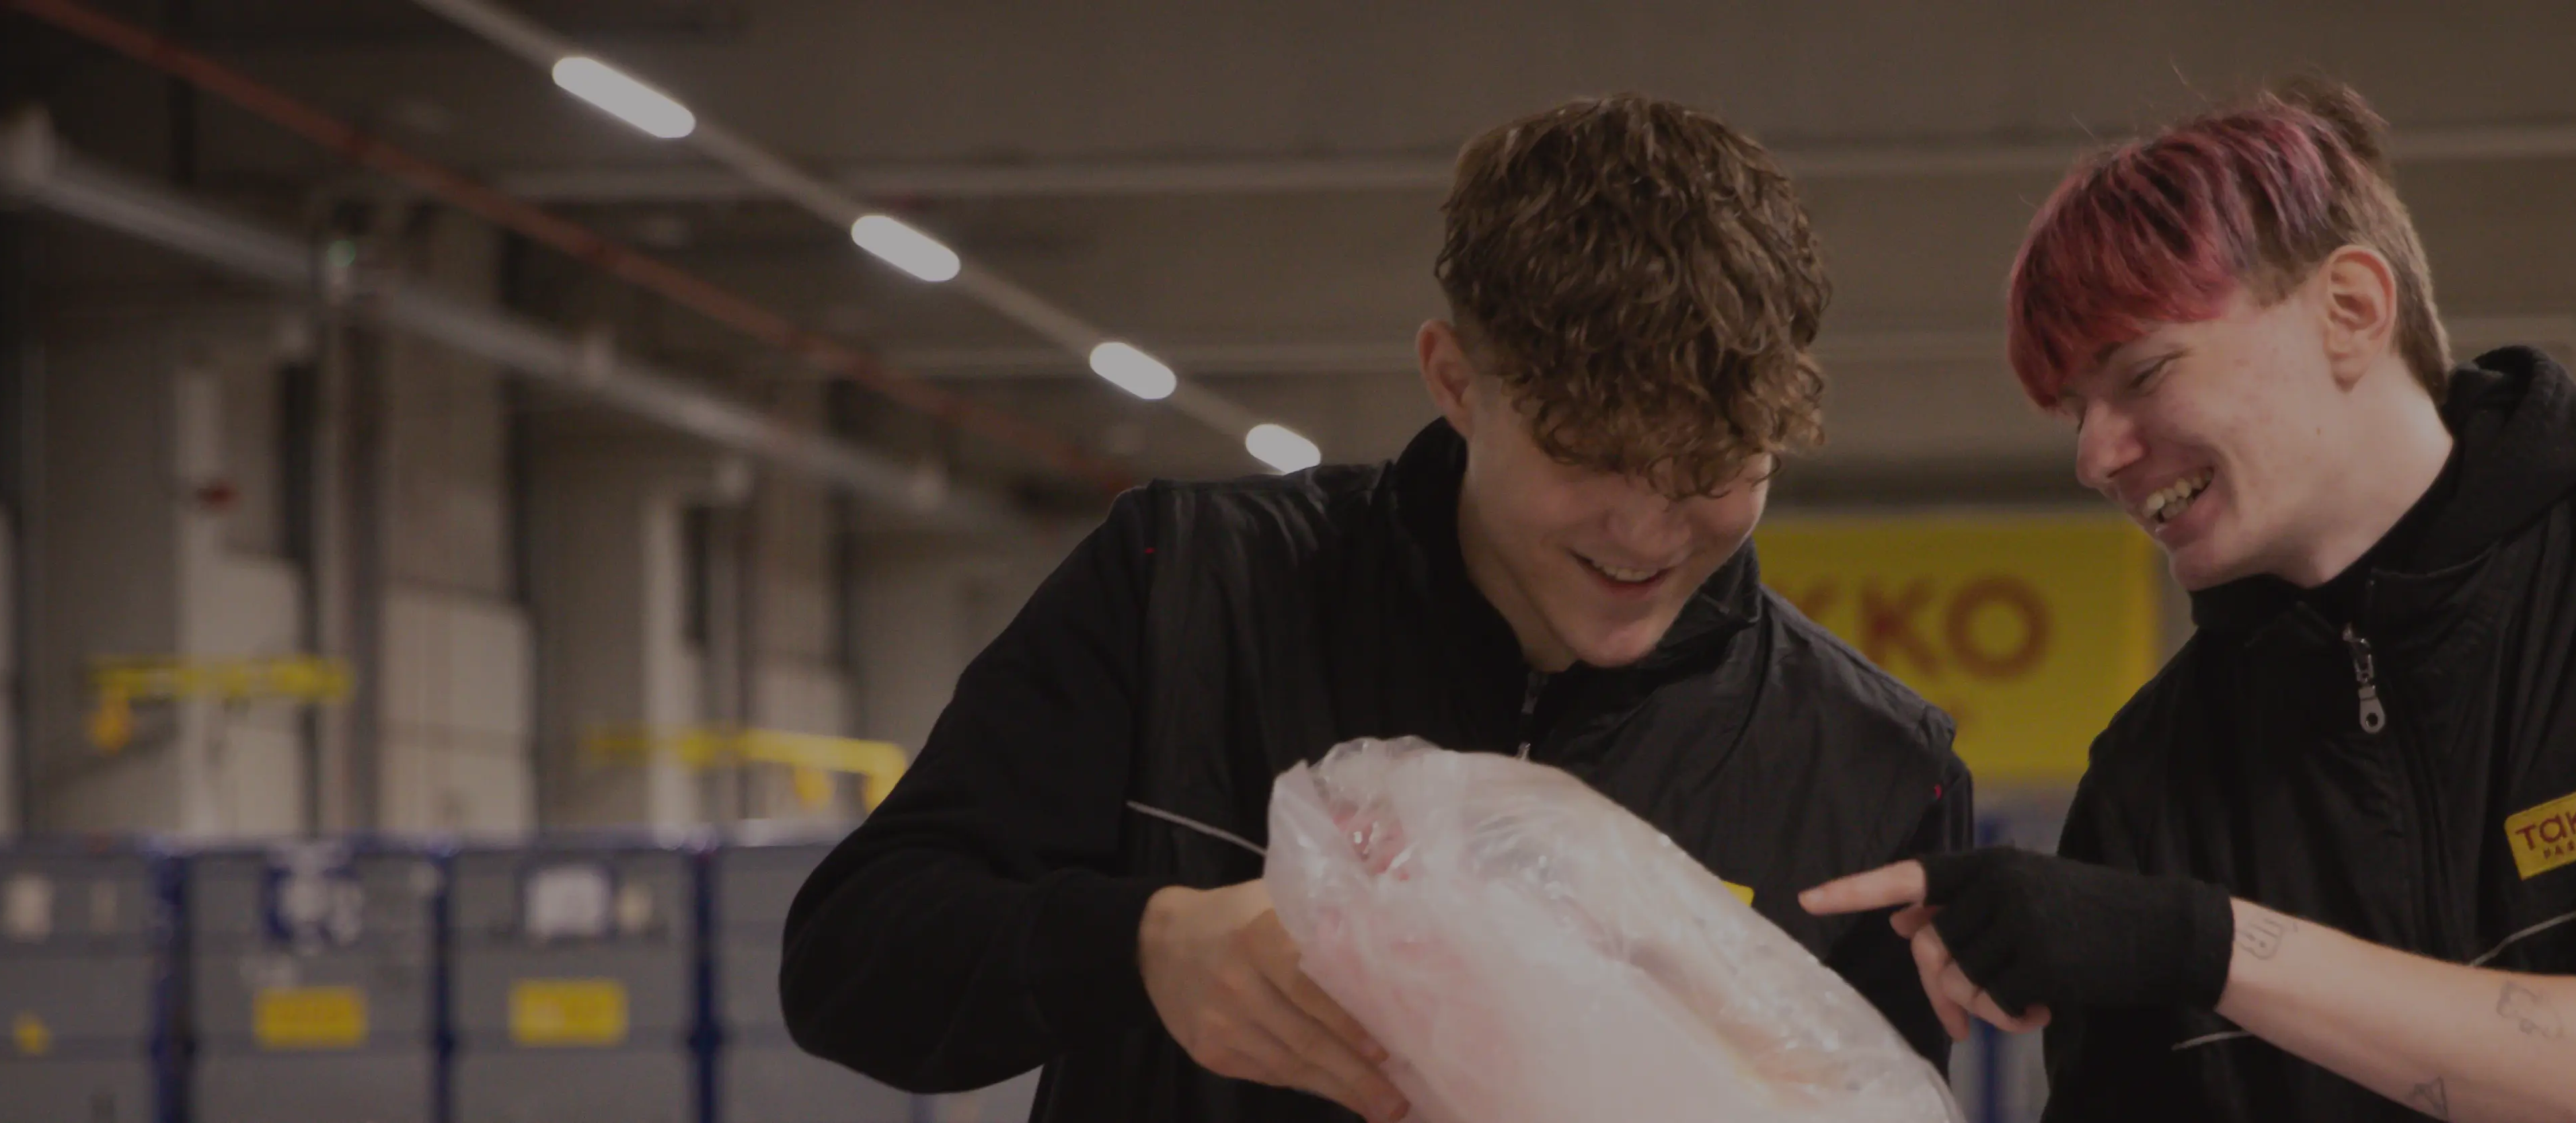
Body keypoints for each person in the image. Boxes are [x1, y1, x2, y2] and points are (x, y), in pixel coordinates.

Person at [1801, 79, 2576, 1122]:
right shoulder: (2158, 777)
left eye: (2143, 374)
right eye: (2077, 410)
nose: (2096, 455)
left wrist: (2206, 945)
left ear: (2352, 308)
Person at [784, 94, 1973, 1123]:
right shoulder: (1186, 593)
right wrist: (1144, 943)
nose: (1649, 530)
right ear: (1456, 381)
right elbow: (852, 958)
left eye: (1717, 467)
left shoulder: (1870, 767)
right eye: (1591, 457)